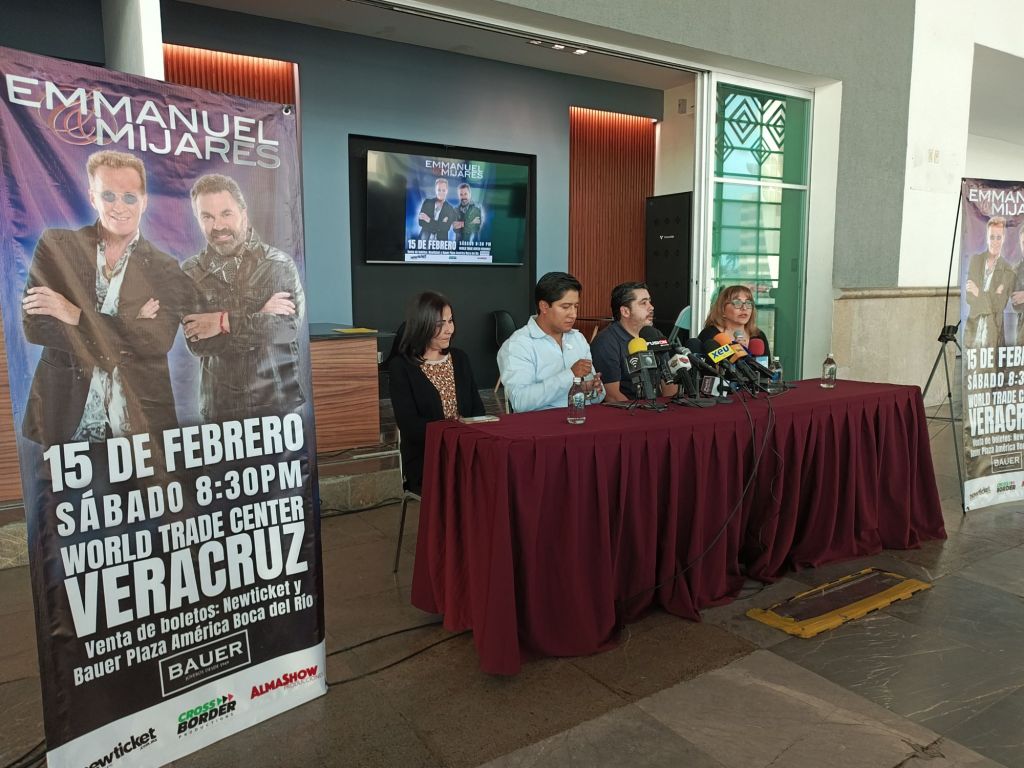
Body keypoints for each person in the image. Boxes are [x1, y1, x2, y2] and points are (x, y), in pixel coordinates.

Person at [21, 150, 190, 445]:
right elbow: (36, 326)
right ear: (92, 197)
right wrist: (128, 326)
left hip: (140, 428)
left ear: (144, 201)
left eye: (129, 197)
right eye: (108, 195)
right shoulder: (57, 245)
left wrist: (74, 314)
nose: (119, 206)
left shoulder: (166, 268)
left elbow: (155, 342)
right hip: (62, 418)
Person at [181, 174, 306, 422]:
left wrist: (222, 322)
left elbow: (285, 329)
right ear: (198, 220)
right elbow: (199, 344)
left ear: (243, 213)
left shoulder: (278, 265)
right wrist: (260, 317)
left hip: (277, 407)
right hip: (220, 410)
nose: (218, 226)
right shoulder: (189, 272)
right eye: (207, 217)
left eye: (226, 214)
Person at [389, 292, 485, 493]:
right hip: (427, 459)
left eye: (450, 321)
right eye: (440, 324)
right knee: (470, 482)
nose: (449, 329)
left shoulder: (460, 359)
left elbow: (478, 411)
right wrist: (452, 431)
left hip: (466, 451)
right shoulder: (402, 367)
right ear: (422, 325)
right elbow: (410, 425)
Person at [497, 271, 605, 412]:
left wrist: (590, 389)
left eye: (576, 306)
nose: (573, 314)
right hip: (541, 423)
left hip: (581, 418)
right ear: (544, 306)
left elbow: (597, 397)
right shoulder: (518, 345)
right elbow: (520, 402)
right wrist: (570, 375)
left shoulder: (578, 339)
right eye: (565, 307)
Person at [591, 281, 678, 401]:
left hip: (657, 407)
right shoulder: (606, 342)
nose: (651, 307)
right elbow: (612, 395)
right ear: (625, 311)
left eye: (650, 301)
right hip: (626, 409)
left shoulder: (654, 335)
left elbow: (669, 382)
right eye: (643, 303)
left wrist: (670, 408)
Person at [965, 215, 1014, 348]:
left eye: (999, 237)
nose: (995, 241)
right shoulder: (976, 261)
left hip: (994, 335)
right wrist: (991, 295)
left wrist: (978, 291)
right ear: (987, 238)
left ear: (1003, 239)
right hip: (973, 333)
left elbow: (998, 305)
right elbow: (969, 297)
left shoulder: (1008, 269)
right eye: (992, 237)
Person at [697, 285, 771, 358]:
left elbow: (766, 364)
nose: (744, 308)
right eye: (737, 303)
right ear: (722, 309)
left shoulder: (758, 336)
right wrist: (733, 350)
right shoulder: (709, 335)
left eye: (748, 303)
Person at [417, 178, 456, 242]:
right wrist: (439, 225)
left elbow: (446, 228)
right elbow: (421, 222)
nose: (441, 192)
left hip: (441, 242)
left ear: (447, 191)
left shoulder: (450, 209)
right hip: (424, 240)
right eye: (439, 190)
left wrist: (428, 220)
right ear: (435, 190)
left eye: (443, 190)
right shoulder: (427, 203)